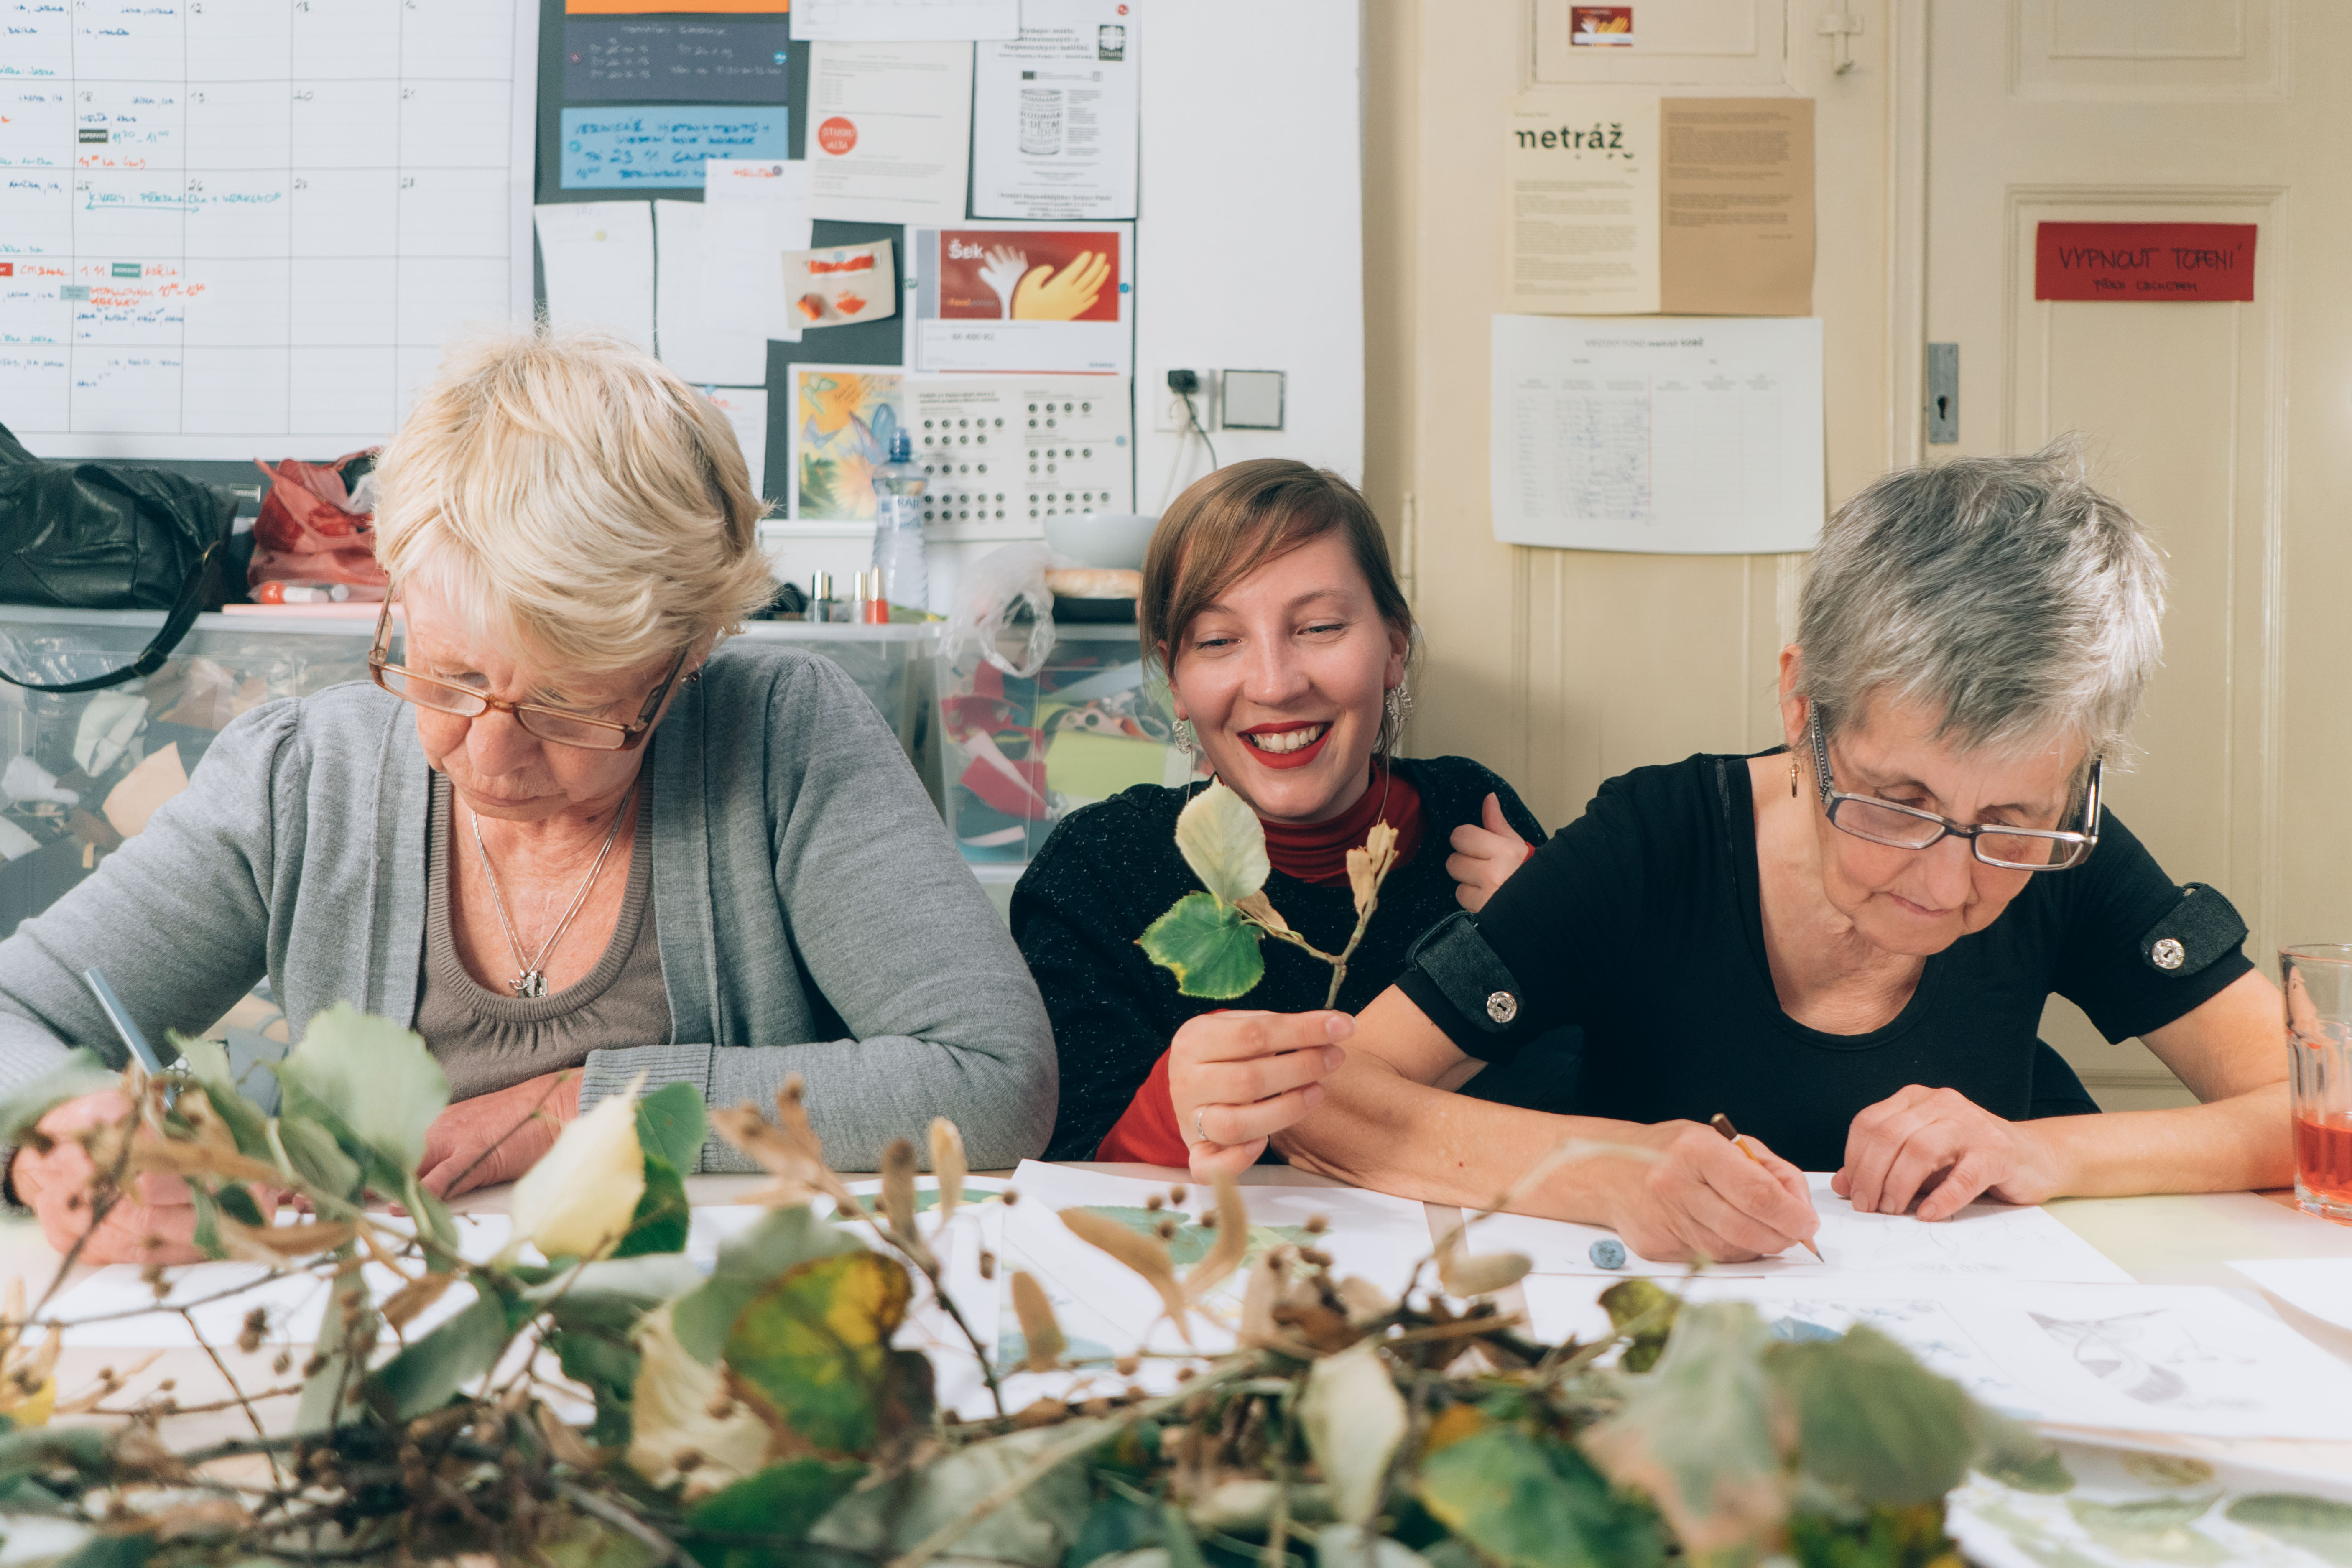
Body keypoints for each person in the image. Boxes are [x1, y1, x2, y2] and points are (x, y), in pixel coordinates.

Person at [0, 326, 1055, 1262]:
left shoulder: (782, 735)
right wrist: (56, 1133)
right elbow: (17, 1013)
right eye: (449, 676)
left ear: (683, 659)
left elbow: (993, 1079)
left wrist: (577, 1109)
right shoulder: (300, 776)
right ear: (401, 596)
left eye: (568, 707)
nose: (492, 757)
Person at [1173, 445, 2289, 1259]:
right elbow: (1333, 1104)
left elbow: (2321, 1111)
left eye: (2009, 827)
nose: (1951, 883)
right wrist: (1607, 1173)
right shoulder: (1653, 845)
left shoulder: (2064, 844)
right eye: (1897, 802)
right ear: (1804, 709)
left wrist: (2050, 1155)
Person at [1015, 459, 1566, 1170]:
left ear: (1394, 645)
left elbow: (1598, 1106)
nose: (1275, 684)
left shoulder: (1475, 816)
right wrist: (1160, 1120)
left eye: (1319, 627)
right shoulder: (1097, 870)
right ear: (1175, 681)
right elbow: (1062, 1180)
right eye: (1218, 641)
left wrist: (1557, 943)